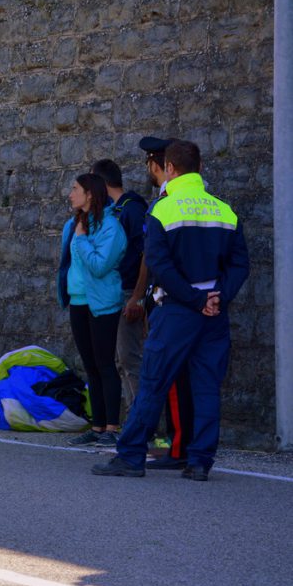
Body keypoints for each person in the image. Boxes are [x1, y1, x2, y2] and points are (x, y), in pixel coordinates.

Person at [93, 140, 249, 481]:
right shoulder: (225, 210)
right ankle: (199, 462)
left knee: (153, 382)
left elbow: (160, 266)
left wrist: (194, 300)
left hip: (178, 310)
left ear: (171, 169)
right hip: (214, 312)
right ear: (200, 168)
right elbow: (240, 265)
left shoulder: (162, 210)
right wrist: (217, 297)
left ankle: (131, 456)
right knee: (207, 386)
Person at [135, 136, 195, 470]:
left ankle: (177, 447)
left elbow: (154, 258)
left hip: (171, 300)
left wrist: (141, 298)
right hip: (196, 299)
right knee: (187, 377)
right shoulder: (200, 200)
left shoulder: (166, 203)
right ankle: (184, 444)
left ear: (160, 166)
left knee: (170, 378)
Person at [57, 173, 127, 447]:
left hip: (102, 303)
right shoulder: (73, 224)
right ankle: (97, 427)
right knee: (90, 366)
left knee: (105, 364)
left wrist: (83, 240)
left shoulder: (110, 227)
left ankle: (112, 427)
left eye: (75, 189)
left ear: (90, 194)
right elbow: (67, 264)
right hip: (78, 302)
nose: (70, 193)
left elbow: (99, 266)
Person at [90, 158, 148, 415]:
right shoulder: (111, 212)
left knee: (129, 358)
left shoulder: (132, 210)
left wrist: (137, 297)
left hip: (127, 293)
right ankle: (132, 418)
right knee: (117, 359)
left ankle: (142, 422)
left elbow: (147, 255)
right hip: (111, 294)